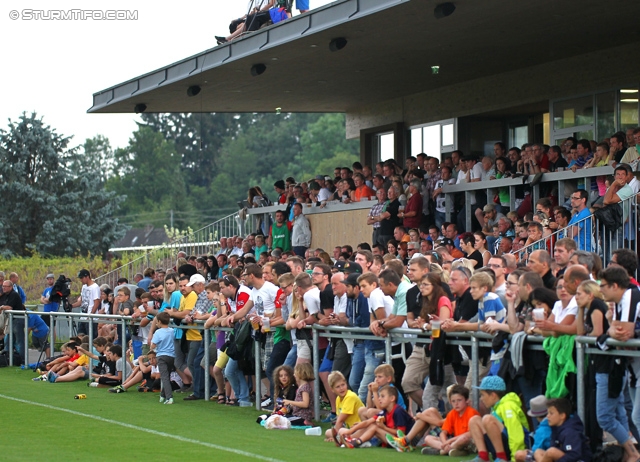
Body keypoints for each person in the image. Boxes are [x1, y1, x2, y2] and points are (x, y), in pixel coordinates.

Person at [599, 266, 640, 462]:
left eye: (604, 286)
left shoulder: (631, 294)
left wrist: (611, 332)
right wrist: (611, 330)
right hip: (633, 366)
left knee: (637, 418)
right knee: (633, 417)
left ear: (615, 286)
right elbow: (614, 331)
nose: (601, 290)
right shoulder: (618, 302)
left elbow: (625, 332)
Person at [390, 385, 480, 456]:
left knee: (464, 439)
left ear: (467, 401)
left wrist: (420, 415)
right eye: (453, 401)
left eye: (459, 400)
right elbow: (443, 432)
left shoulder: (471, 413)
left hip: (466, 441)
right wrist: (445, 442)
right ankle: (449, 450)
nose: (456, 404)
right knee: (428, 438)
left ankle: (441, 450)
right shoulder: (453, 413)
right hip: (453, 441)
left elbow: (469, 434)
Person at [466, 376, 529, 462]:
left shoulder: (508, 406)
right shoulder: (496, 407)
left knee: (487, 419)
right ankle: (483, 457)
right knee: (474, 420)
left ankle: (502, 458)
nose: (481, 398)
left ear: (493, 395)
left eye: (483, 395)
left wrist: (515, 458)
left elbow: (516, 433)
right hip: (504, 445)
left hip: (515, 450)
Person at [338, 385, 413, 449]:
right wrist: (350, 431)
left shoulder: (398, 411)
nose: (379, 398)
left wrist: (384, 427)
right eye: (379, 396)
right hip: (393, 439)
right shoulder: (385, 411)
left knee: (375, 427)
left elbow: (401, 433)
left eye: (382, 396)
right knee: (371, 425)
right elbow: (367, 422)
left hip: (403, 443)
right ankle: (350, 438)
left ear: (392, 398)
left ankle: (356, 442)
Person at [325, 371, 365, 444]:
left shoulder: (350, 396)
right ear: (332, 390)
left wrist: (335, 437)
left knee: (339, 431)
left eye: (343, 385)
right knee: (327, 432)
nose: (341, 388)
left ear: (346, 383)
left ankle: (342, 438)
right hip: (349, 428)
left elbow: (340, 420)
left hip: (359, 428)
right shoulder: (338, 399)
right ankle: (343, 437)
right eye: (338, 387)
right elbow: (338, 419)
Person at [515, 395, 552, 462]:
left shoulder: (541, 430)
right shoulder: (554, 422)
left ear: (536, 416)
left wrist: (529, 450)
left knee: (519, 455)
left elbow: (536, 449)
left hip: (545, 455)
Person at [151, 311, 177, 405]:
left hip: (161, 356)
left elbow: (153, 345)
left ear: (159, 322)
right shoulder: (172, 331)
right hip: (171, 356)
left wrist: (152, 349)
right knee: (167, 375)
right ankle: (163, 395)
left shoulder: (158, 332)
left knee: (164, 377)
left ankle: (169, 397)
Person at [70, 269, 101, 337]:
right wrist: (72, 306)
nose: (81, 280)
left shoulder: (95, 287)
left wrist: (91, 315)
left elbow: (97, 302)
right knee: (80, 337)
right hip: (82, 317)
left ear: (87, 277)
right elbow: (82, 301)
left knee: (90, 339)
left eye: (81, 278)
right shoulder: (84, 287)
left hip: (90, 318)